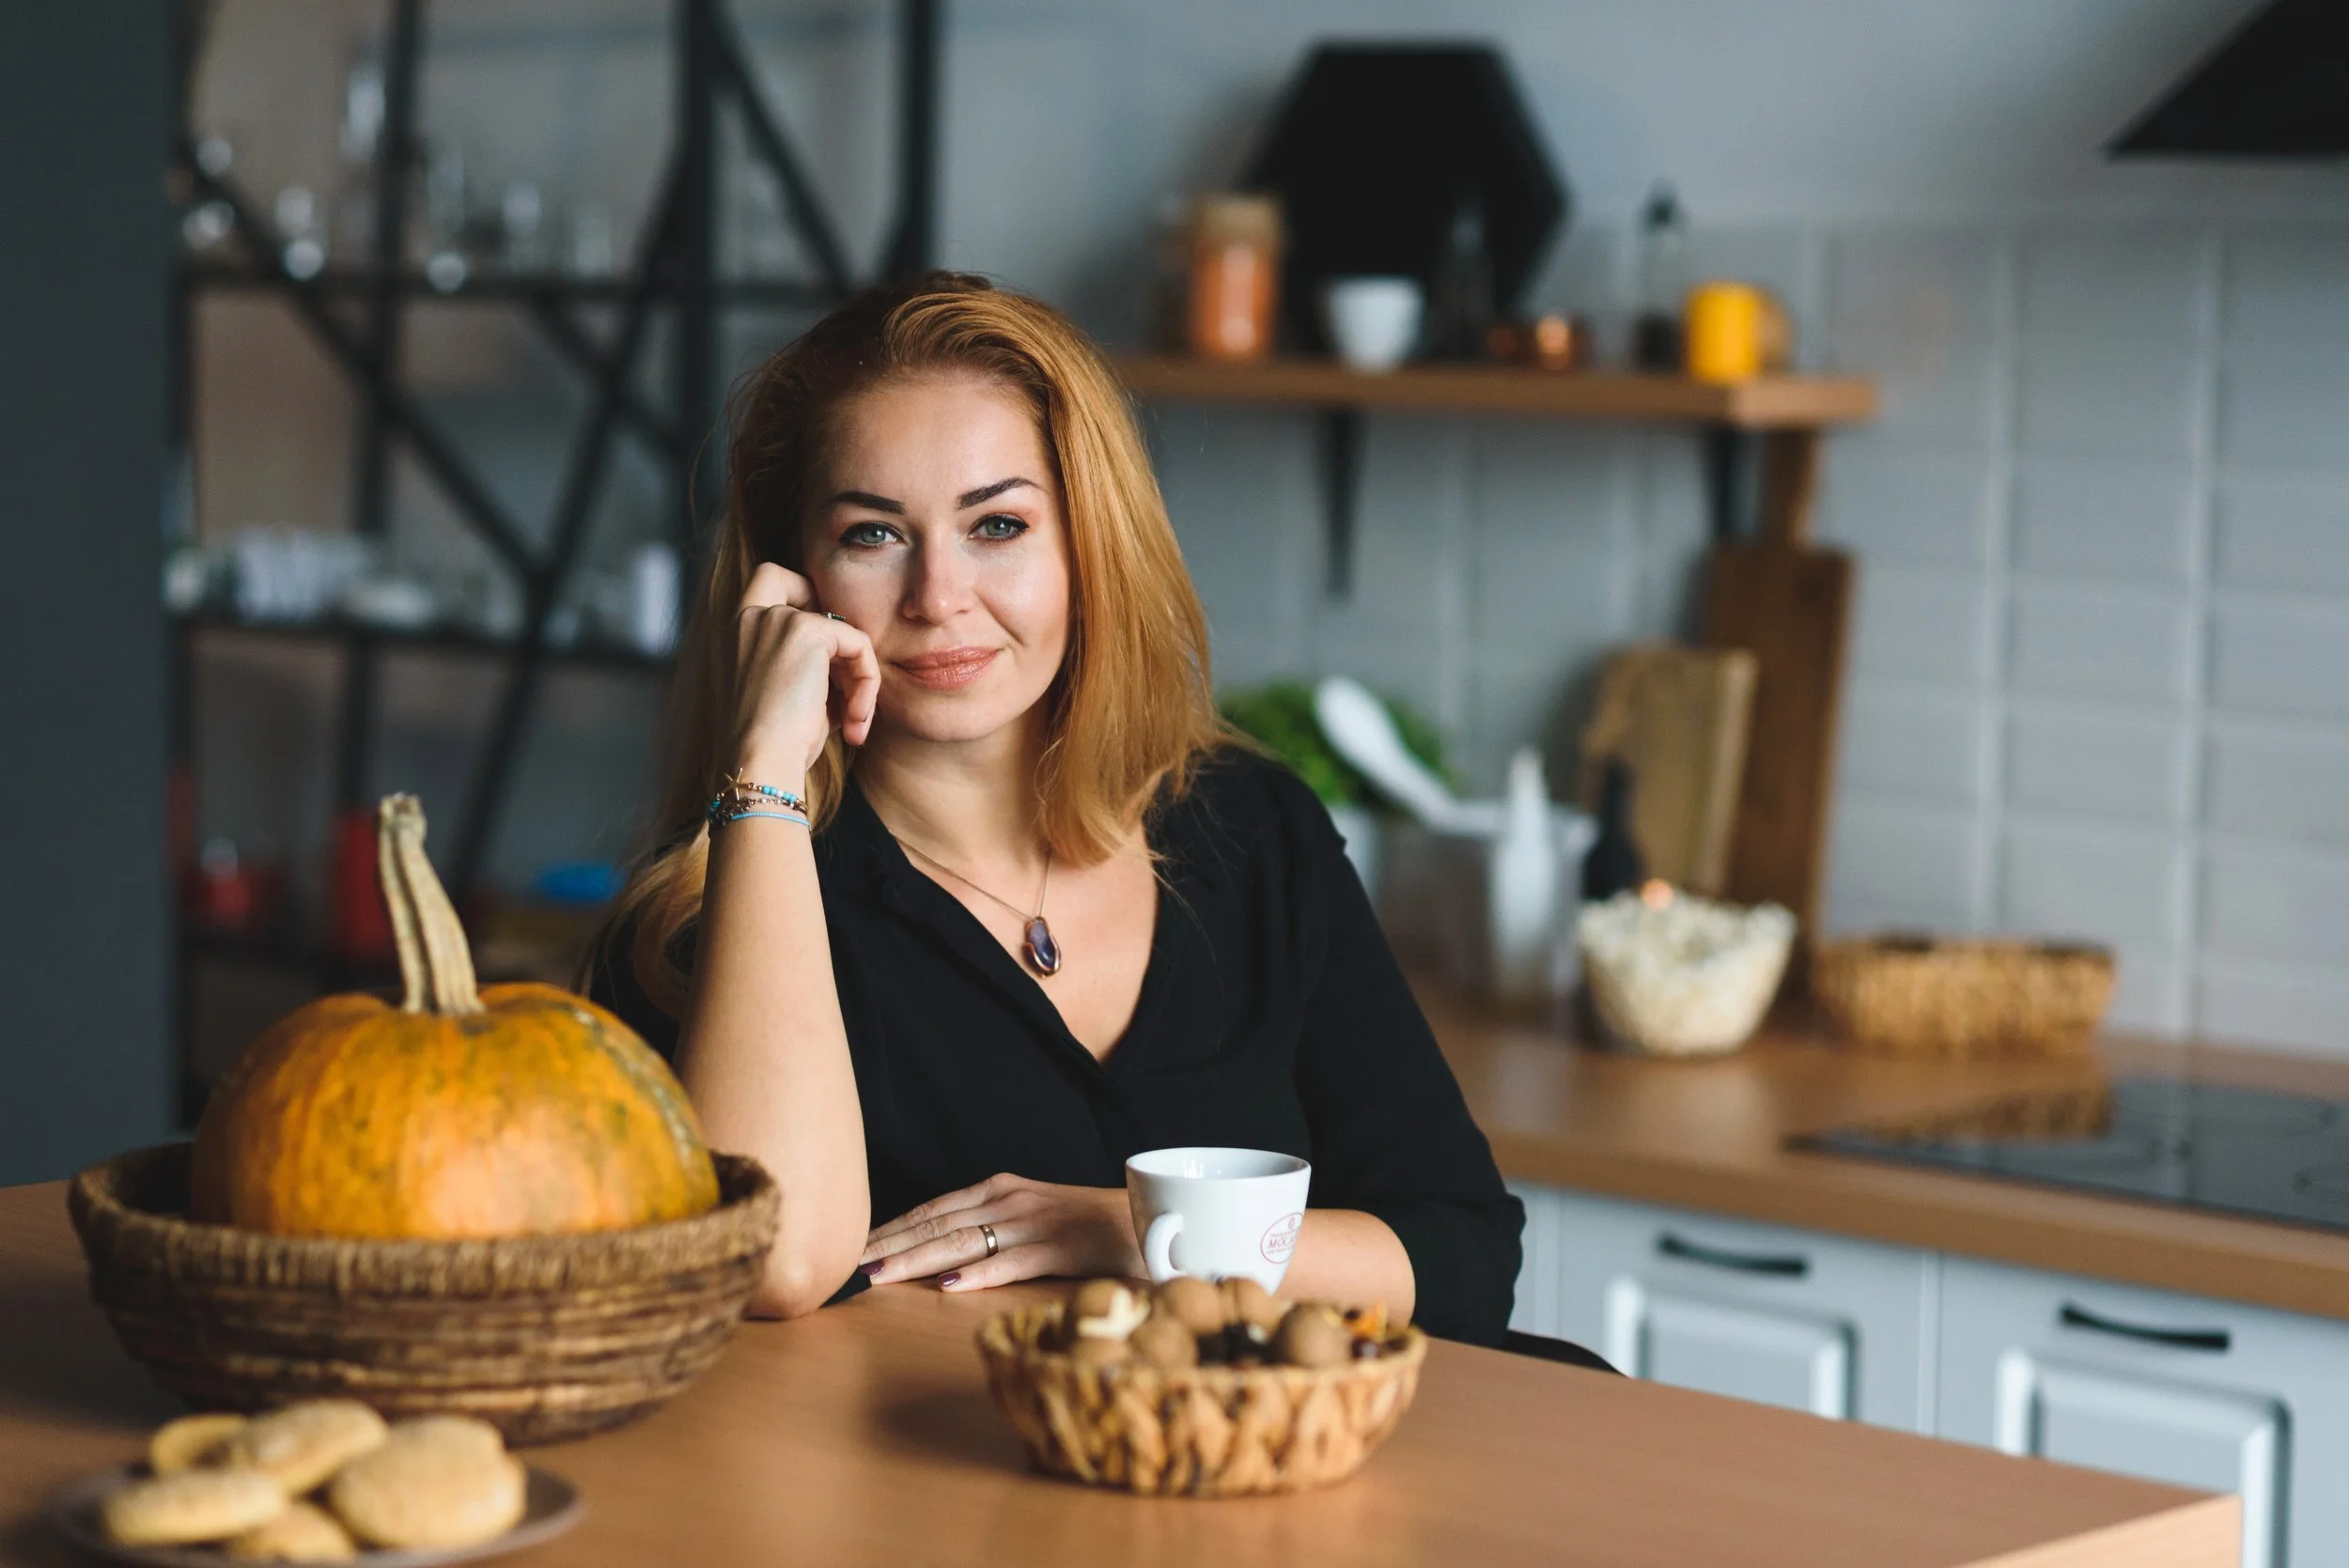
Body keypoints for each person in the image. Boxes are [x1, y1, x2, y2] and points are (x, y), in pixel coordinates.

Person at [588, 272, 1522, 1343]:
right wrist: (759, 772)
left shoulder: (1251, 828)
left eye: (996, 525)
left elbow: (1462, 1250)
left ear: (1089, 543)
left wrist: (1134, 1235)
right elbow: (775, 1260)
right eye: (873, 535)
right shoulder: (707, 916)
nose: (938, 595)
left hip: (1260, 1477)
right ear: (791, 580)